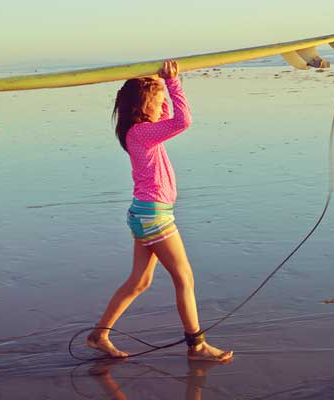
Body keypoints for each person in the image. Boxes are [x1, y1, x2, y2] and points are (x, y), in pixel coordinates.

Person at [87, 60, 233, 362]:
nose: (163, 105)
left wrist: (158, 80)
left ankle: (99, 335)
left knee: (140, 281)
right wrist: (173, 83)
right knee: (185, 279)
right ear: (142, 106)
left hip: (144, 214)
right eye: (158, 101)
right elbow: (183, 121)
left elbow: (168, 116)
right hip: (155, 216)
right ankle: (197, 345)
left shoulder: (140, 131)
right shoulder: (141, 133)